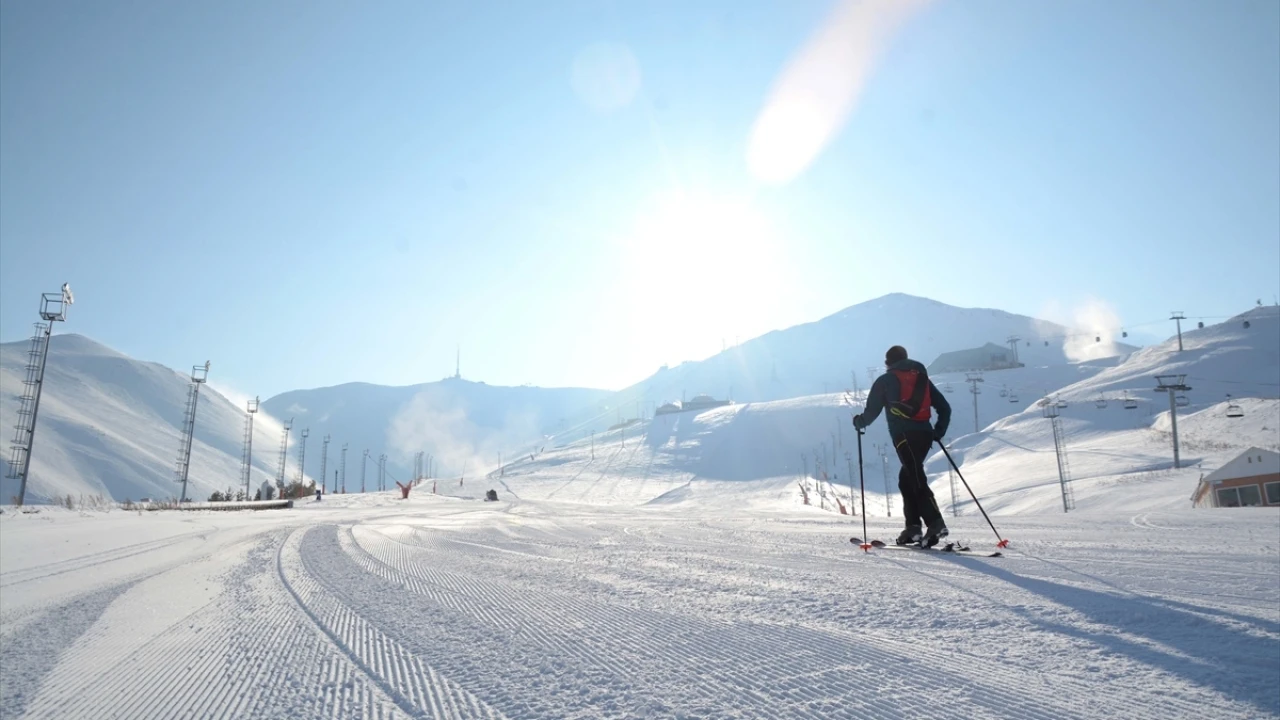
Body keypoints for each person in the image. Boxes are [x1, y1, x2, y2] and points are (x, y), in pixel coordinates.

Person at [853, 345, 952, 547]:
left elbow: (871, 413)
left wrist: (859, 422)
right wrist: (938, 431)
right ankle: (913, 528)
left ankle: (935, 523)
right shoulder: (922, 379)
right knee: (906, 479)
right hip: (925, 435)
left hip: (904, 436)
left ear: (887, 363)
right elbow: (945, 408)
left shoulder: (886, 380)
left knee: (915, 477)